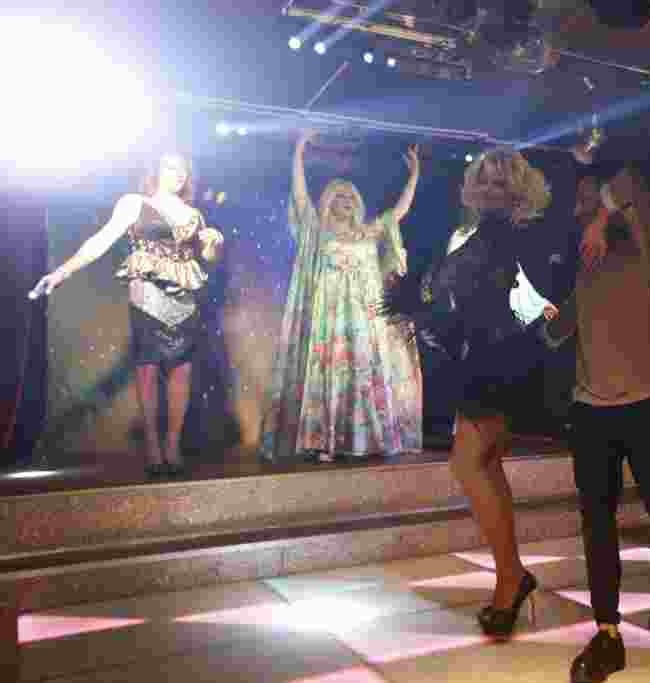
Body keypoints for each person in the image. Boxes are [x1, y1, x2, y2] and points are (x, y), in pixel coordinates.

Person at [381, 147, 552, 637]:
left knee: (469, 463)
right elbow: (457, 296)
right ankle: (511, 575)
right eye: (483, 180)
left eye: (500, 182)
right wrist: (421, 300)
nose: (489, 188)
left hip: (499, 360)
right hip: (483, 359)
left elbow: (516, 299)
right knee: (485, 464)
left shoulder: (516, 234)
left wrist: (426, 301)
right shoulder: (485, 235)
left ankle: (510, 579)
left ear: (517, 189)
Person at [542, 167, 650, 682]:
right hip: (591, 408)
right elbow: (555, 334)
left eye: (590, 195)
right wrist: (530, 310)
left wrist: (606, 216)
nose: (583, 204)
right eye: (579, 199)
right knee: (596, 524)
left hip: (648, 398)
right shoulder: (583, 264)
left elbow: (630, 182)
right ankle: (608, 634)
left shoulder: (641, 241)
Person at [30, 153, 223, 476]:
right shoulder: (134, 203)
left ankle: (172, 446)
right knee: (147, 365)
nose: (178, 175)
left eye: (184, 170)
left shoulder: (195, 215)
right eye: (171, 168)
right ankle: (152, 446)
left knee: (182, 368)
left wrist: (213, 244)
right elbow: (101, 240)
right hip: (147, 294)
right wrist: (62, 271)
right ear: (155, 171)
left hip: (184, 299)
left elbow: (207, 260)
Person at [260, 131, 422, 462]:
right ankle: (325, 441)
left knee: (363, 373)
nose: (346, 201)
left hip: (364, 319)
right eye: (339, 196)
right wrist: (299, 152)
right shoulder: (317, 232)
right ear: (329, 201)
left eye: (351, 197)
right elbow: (300, 196)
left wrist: (415, 175)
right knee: (330, 373)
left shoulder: (368, 232)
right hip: (329, 319)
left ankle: (364, 439)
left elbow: (399, 213)